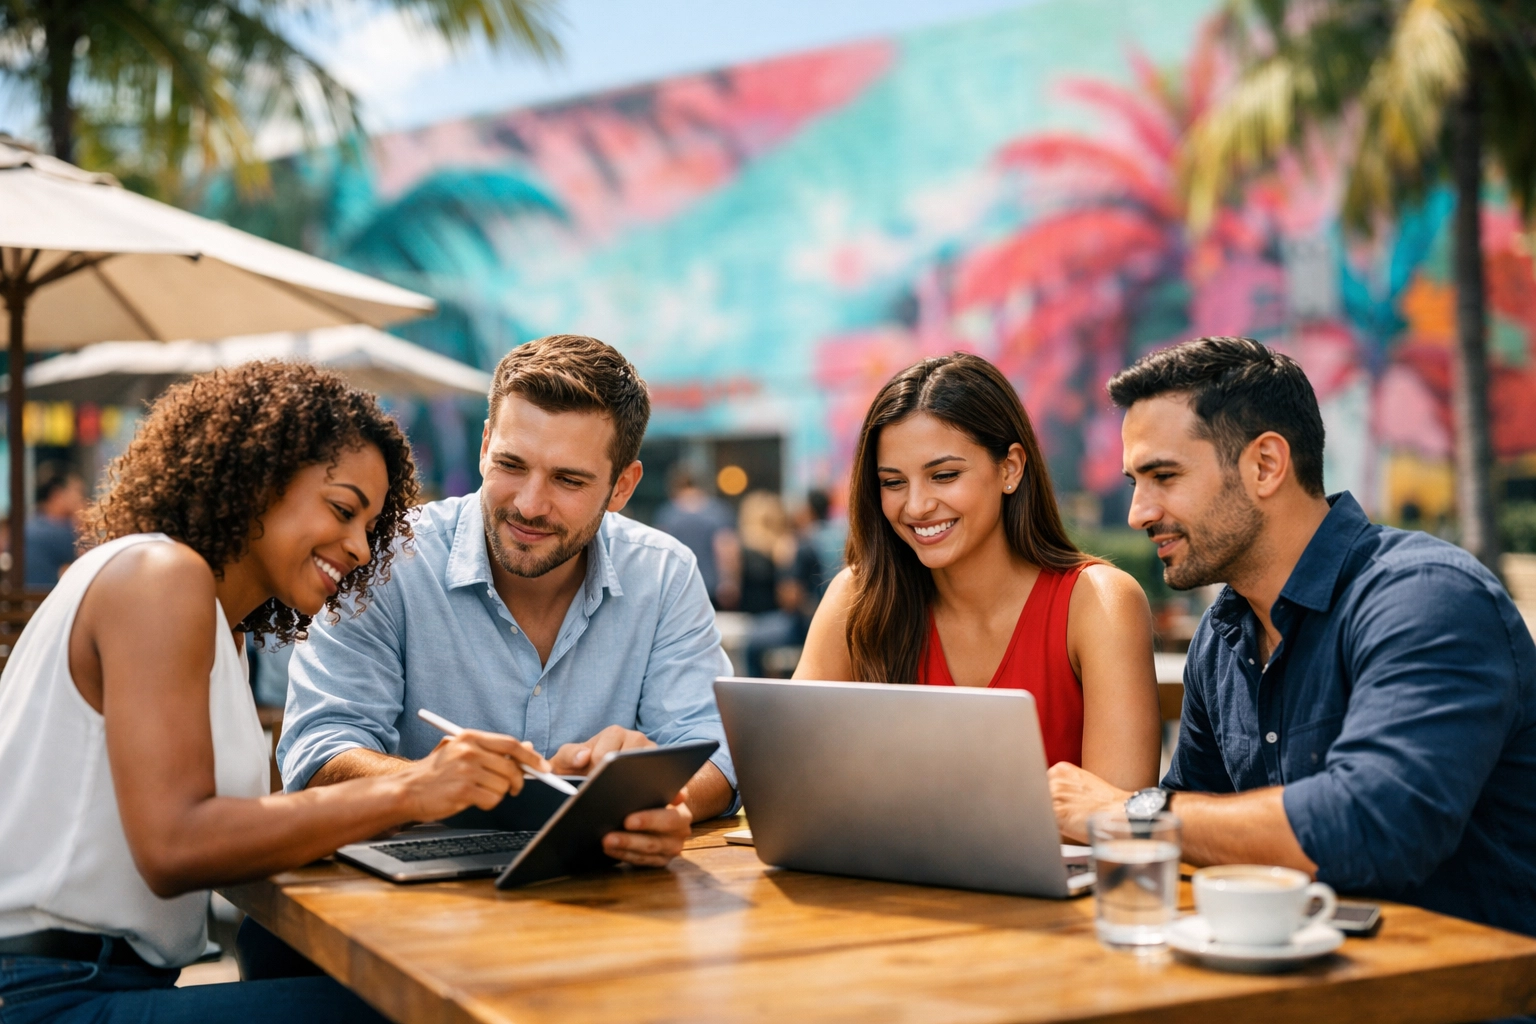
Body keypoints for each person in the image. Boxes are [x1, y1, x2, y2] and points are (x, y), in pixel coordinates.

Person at [0, 362, 546, 1022]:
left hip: (100, 985)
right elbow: (177, 845)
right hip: (47, 995)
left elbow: (249, 834)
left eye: (372, 527)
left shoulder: (222, 632)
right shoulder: (158, 575)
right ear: (257, 476)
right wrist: (412, 789)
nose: (359, 547)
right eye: (343, 509)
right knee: (428, 1008)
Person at [1048, 336, 1536, 940]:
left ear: (1265, 465)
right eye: (1134, 483)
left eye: (1163, 476)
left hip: (1469, 981)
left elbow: (1374, 828)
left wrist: (1129, 813)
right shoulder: (1221, 639)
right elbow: (1195, 835)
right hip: (1290, 973)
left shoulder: (1426, 598)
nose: (1138, 513)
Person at [280, 334, 738, 869]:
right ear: (484, 447)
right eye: (512, 465)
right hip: (397, 894)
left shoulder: (663, 573)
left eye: (568, 480)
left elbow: (717, 751)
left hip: (604, 890)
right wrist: (426, 784)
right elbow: (317, 754)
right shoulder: (388, 559)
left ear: (622, 487)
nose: (529, 504)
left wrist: (660, 798)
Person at [795, 353, 1161, 790]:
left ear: (1010, 468)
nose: (916, 506)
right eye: (893, 482)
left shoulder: (1099, 603)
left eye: (944, 475)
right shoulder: (858, 598)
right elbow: (790, 772)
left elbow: (1117, 812)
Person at [654, 463, 740, 609]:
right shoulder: (717, 511)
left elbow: (659, 554)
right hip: (711, 588)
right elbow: (727, 550)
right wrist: (729, 583)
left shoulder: (667, 514)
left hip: (677, 589)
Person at [25, 467, 87, 589]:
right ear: (57, 495)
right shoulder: (59, 532)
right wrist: (83, 521)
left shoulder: (30, 524)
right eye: (78, 492)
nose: (82, 499)